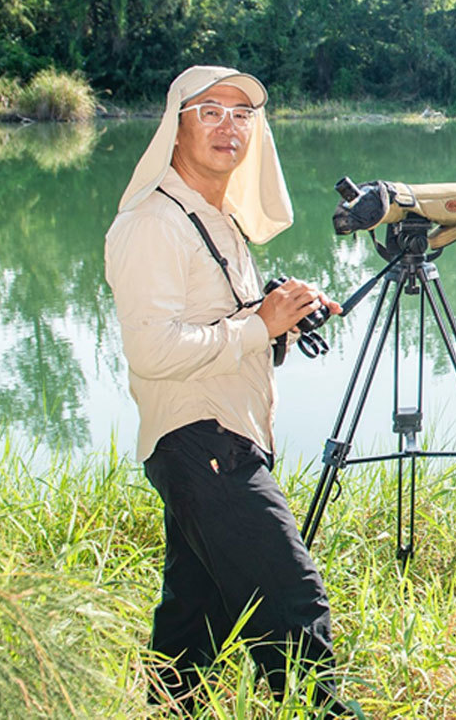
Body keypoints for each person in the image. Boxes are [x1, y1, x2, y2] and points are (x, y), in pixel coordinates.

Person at [104, 65, 346, 713]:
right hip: (200, 440)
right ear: (175, 126)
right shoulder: (153, 223)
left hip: (220, 434)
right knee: (294, 605)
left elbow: (230, 328)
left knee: (194, 617)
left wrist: (281, 319)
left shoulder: (217, 220)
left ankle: (171, 705)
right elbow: (151, 352)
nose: (228, 126)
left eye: (242, 114)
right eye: (209, 110)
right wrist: (257, 324)